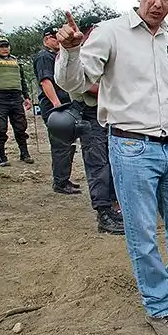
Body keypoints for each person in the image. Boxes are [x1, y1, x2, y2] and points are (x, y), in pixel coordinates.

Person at [54, 0, 168, 335]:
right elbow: (75, 82)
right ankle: (159, 306)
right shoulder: (111, 33)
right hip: (130, 146)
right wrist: (71, 50)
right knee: (142, 232)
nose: (158, 2)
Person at [69, 17, 125, 234]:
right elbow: (85, 85)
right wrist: (116, 89)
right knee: (98, 164)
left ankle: (114, 206)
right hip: (90, 113)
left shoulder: (106, 51)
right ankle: (103, 213)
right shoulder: (82, 54)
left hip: (110, 112)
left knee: (114, 160)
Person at [33, 26, 80, 194]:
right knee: (60, 145)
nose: (57, 40)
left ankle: (63, 179)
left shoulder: (58, 55)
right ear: (46, 39)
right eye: (54, 37)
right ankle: (60, 182)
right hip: (55, 107)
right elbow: (46, 82)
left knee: (68, 144)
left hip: (65, 105)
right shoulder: (44, 57)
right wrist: (57, 105)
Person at [0, 35, 34, 167]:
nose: (5, 49)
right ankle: (1, 155)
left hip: (16, 97)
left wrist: (27, 97)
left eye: (6, 46)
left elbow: (22, 80)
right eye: (1, 46)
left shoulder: (16, 61)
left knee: (20, 127)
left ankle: (24, 153)